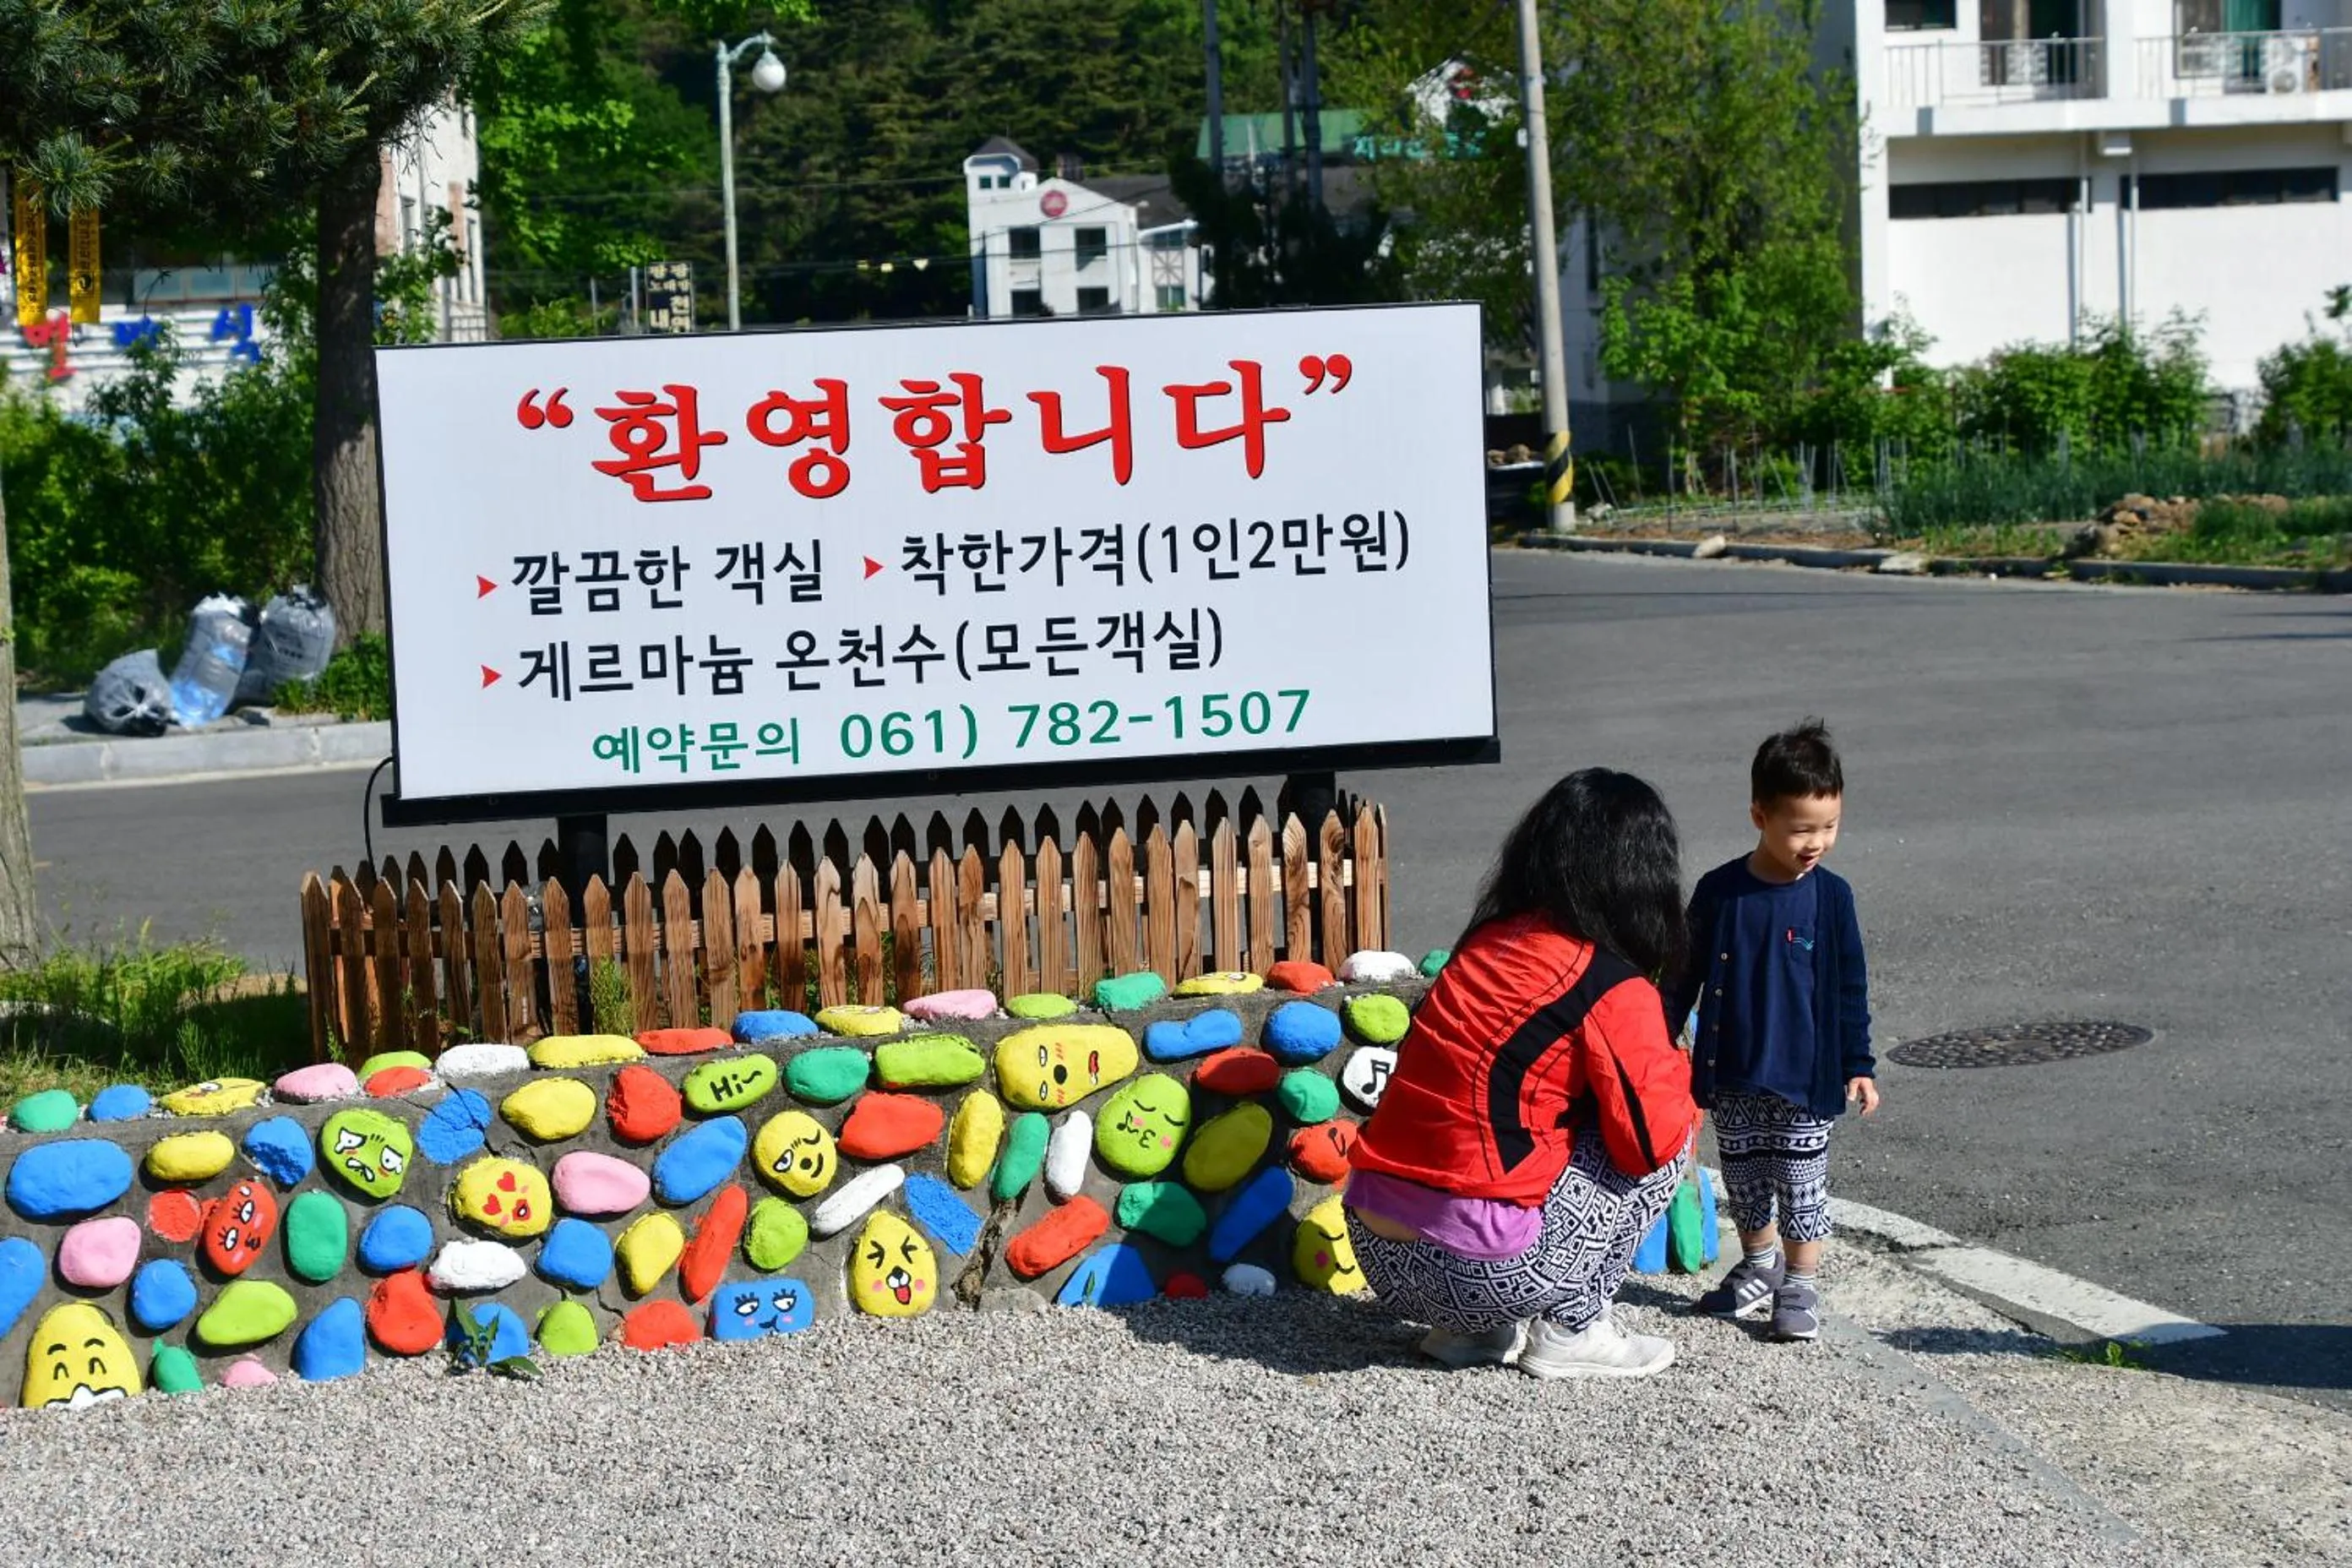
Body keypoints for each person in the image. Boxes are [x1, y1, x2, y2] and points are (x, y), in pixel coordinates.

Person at [1344, 768, 1698, 1380]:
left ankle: (1471, 1335)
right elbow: (1651, 1145)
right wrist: (1678, 1067)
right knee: (1663, 1131)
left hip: (1378, 1253)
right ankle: (1573, 1330)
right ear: (1645, 876)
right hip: (1482, 1271)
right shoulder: (1610, 981)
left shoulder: (1486, 943)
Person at [1664, 718, 1877, 1343]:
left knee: (1803, 1181)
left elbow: (1850, 987)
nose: (1817, 842)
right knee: (1745, 1176)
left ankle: (1801, 1282)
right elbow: (1682, 975)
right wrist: (1660, 1036)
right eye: (1802, 829)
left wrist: (1858, 1064)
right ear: (1760, 816)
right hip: (1734, 1069)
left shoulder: (1832, 899)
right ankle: (1760, 1264)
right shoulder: (1721, 893)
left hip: (1806, 1075)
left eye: (1830, 826)